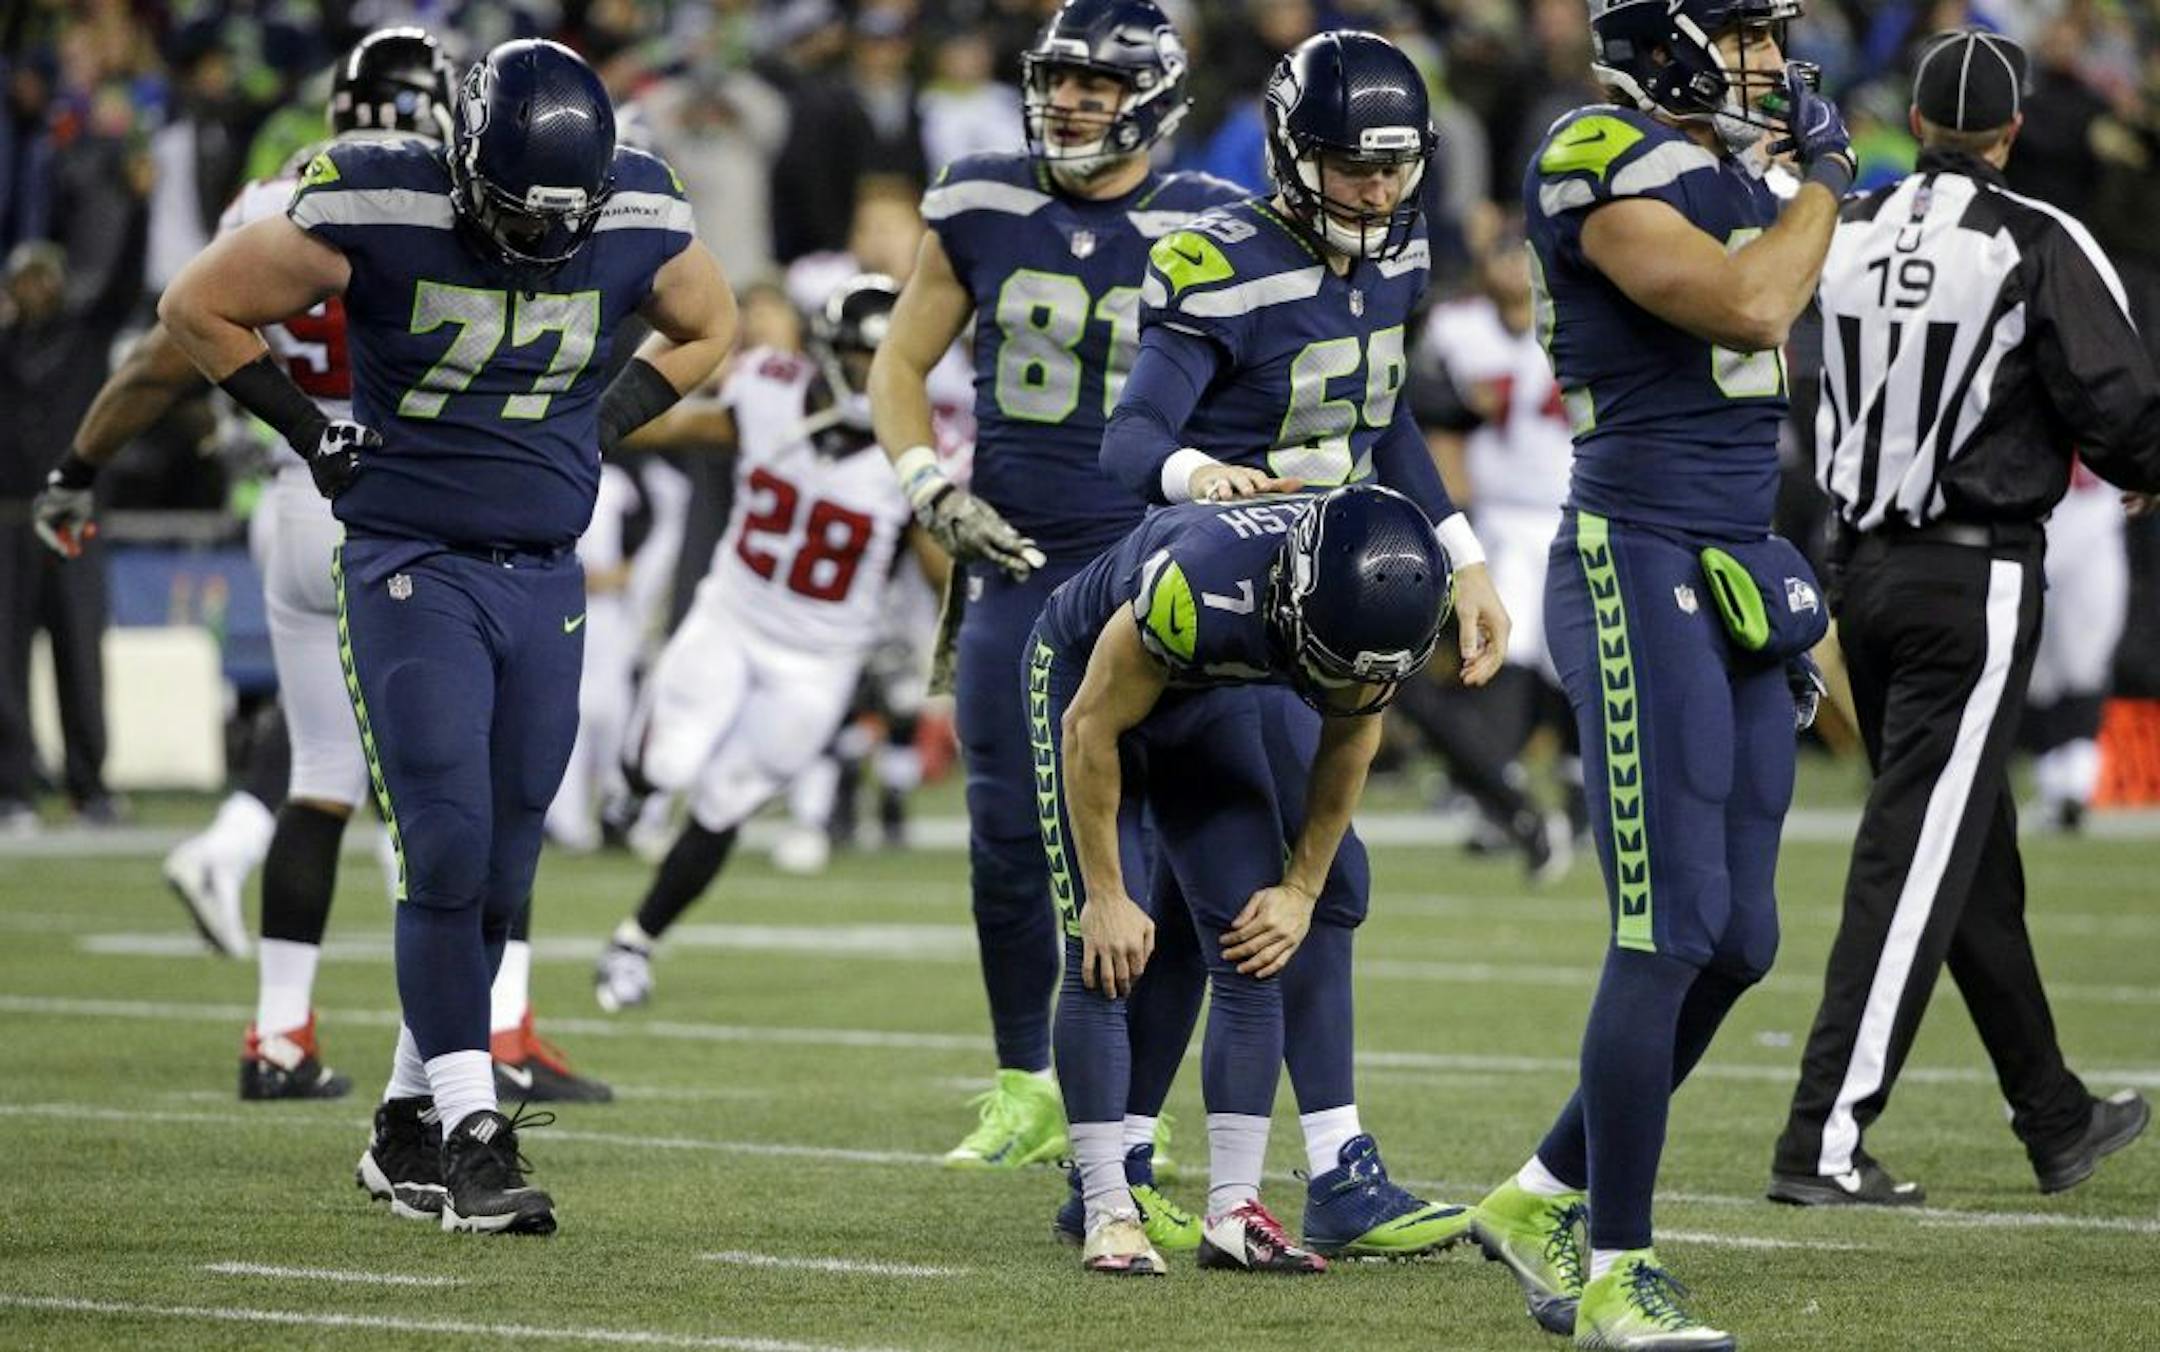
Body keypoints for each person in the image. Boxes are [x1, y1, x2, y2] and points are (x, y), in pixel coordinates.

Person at [156, 38, 735, 1235]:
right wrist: (312, 434)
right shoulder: (376, 197)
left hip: (545, 570)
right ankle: (473, 1132)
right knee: (446, 838)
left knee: (509, 858)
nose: (536, 242)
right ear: (464, 168)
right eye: (516, 214)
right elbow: (195, 305)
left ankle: (404, 1120)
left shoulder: (633, 208)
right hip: (412, 561)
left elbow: (710, 324)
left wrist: (603, 423)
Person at [37, 28, 612, 1108]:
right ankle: (480, 1043)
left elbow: (173, 350)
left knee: (325, 777)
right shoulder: (445, 203)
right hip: (411, 498)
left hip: (294, 489)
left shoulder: (273, 197)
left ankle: (281, 1029)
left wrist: (80, 463)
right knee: (468, 800)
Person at [1466, 2, 1853, 1345]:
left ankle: (1540, 1192)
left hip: (1737, 562)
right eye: (1743, 37)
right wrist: (1829, 184)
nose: (1768, 64)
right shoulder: (1595, 150)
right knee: (1669, 925)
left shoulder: (1732, 169)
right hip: (1635, 558)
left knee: (1741, 938)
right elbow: (1750, 305)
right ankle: (1620, 1266)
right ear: (1666, 40)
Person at [1093, 28, 1504, 1270]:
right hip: (1223, 610)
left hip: (1327, 603)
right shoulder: (1222, 260)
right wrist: (1198, 470)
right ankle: (1335, 1167)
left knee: (1204, 901)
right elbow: (1127, 443)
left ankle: (1107, 1160)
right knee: (1306, 892)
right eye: (1348, 166)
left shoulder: (1397, 251)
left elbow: (1377, 421)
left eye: (1392, 167)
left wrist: (1465, 549)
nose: (1376, 190)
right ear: (1288, 153)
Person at [1772, 27, 2157, 1209]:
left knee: (1967, 851)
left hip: (1861, 574)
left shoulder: (1844, 227)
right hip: (1971, 573)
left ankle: (2053, 1109)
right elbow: (2117, 403)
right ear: (2011, 128)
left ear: (1922, 122)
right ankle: (1821, 1137)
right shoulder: (2034, 237)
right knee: (1918, 855)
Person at [867, 0, 1245, 1171]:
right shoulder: (979, 196)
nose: (1070, 100)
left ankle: (1130, 1097)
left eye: (1096, 83)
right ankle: (1024, 1079)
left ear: (1154, 98)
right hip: (1017, 557)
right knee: (1001, 828)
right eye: (1059, 79)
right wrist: (928, 480)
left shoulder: (1212, 219)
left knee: (1140, 830)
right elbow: (901, 359)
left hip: (1149, 559)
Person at [1036, 484, 1451, 1275]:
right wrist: (1107, 892)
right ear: (1291, 600)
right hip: (1089, 686)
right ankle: (1106, 1204)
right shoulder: (1196, 587)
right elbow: (1091, 729)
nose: (1341, 691)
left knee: (1251, 941)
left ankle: (1234, 1210)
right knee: (1103, 951)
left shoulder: (1389, 592)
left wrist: (1299, 890)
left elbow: (1351, 741)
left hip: (1209, 695)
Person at [590, 275, 940, 1012]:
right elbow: (686, 427)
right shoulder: (767, 390)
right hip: (733, 618)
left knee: (722, 804)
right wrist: (588, 424)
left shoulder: (911, 451)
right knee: (669, 759)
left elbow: (942, 569)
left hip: (817, 663)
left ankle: (634, 941)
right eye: (854, 358)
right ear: (823, 351)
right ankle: (634, 786)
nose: (866, 377)